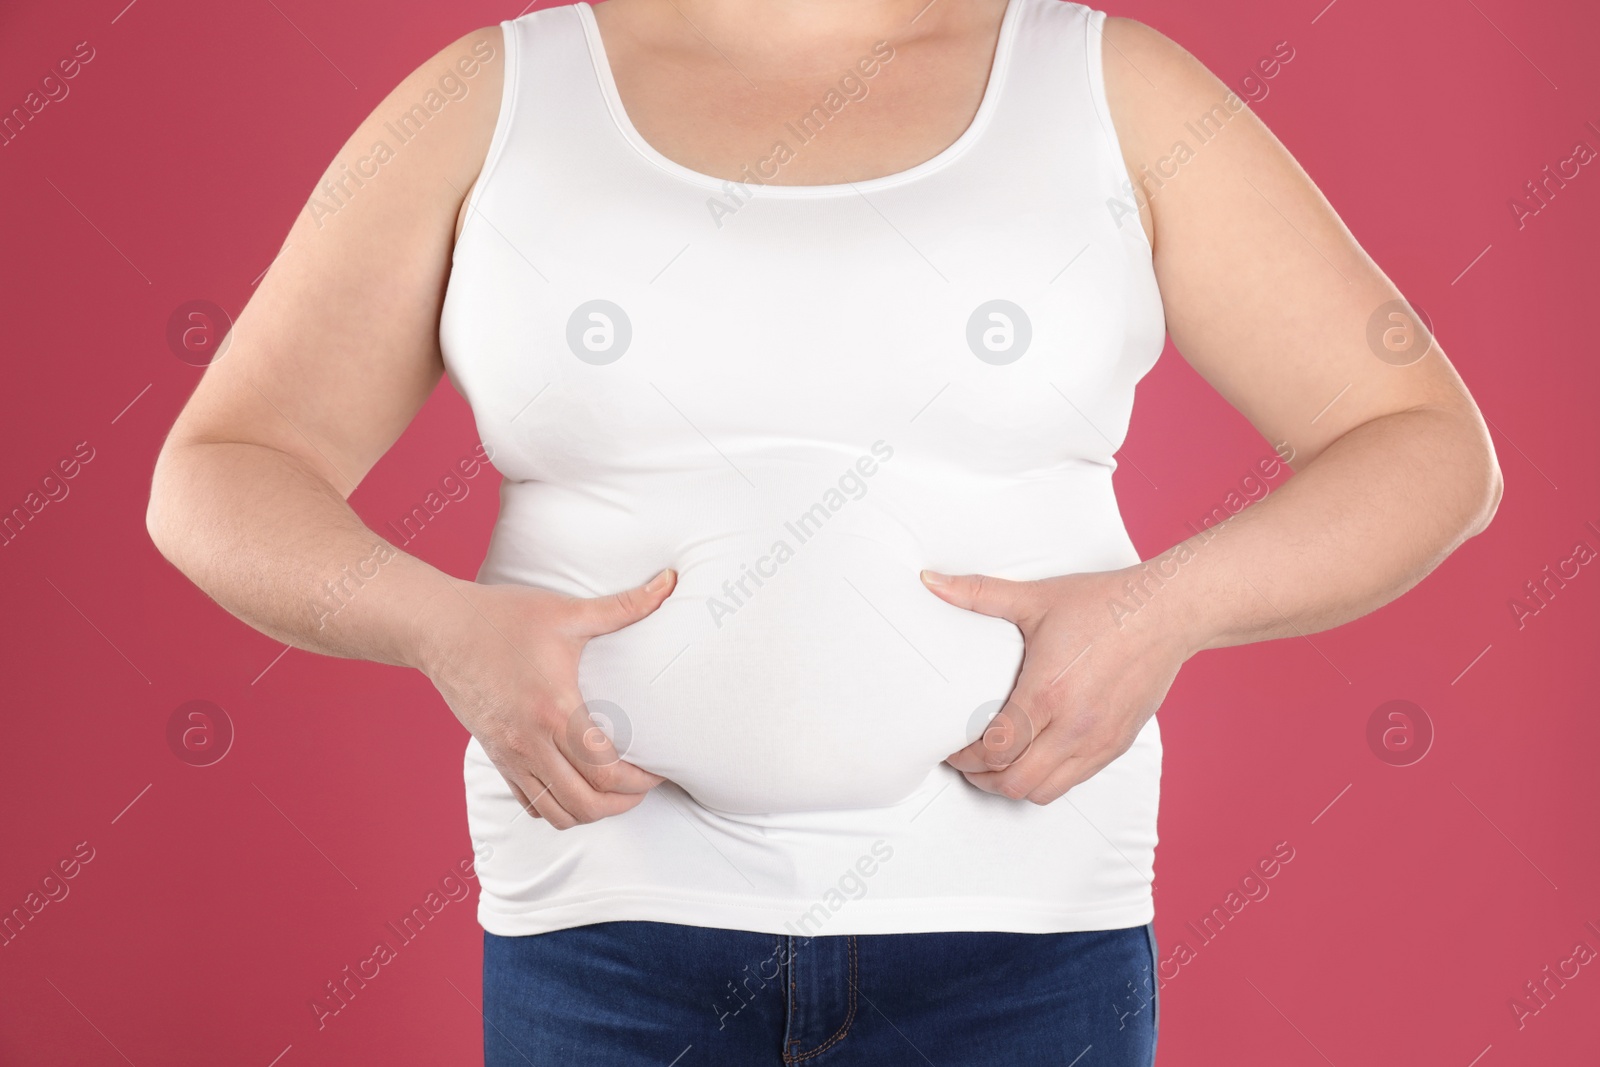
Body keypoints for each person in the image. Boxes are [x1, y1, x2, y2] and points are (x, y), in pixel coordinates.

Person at [145, 0, 1502, 1062]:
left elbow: (1423, 445)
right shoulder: (488, 101)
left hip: (1017, 959)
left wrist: (1170, 607)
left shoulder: (1113, 94)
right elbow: (221, 470)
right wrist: (438, 625)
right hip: (608, 953)